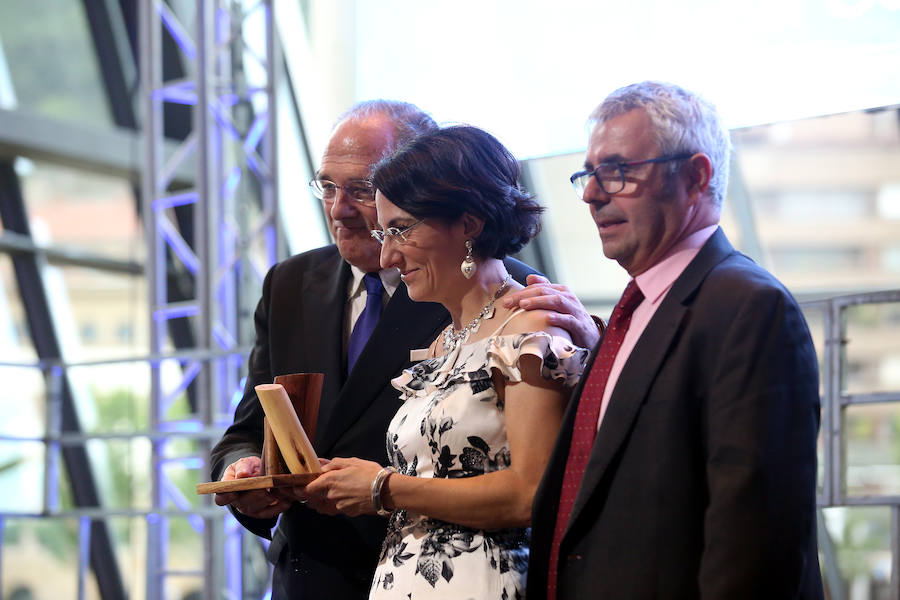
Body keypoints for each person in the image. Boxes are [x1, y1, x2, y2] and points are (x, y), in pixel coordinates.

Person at [209, 102, 557, 600]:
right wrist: (244, 475)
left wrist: (379, 490)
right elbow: (249, 429)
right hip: (314, 575)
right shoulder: (289, 284)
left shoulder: (524, 300)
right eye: (327, 186)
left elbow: (536, 484)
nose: (337, 209)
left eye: (360, 191)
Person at [525, 81, 824, 599]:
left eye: (617, 172)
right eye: (589, 174)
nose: (593, 194)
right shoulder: (631, 311)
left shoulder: (749, 307)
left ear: (695, 176)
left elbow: (755, 541)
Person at [301, 125, 589, 599]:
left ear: (469, 224)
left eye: (400, 230)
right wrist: (356, 484)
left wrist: (381, 488)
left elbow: (531, 492)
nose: (389, 254)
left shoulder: (529, 327)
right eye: (383, 232)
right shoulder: (441, 344)